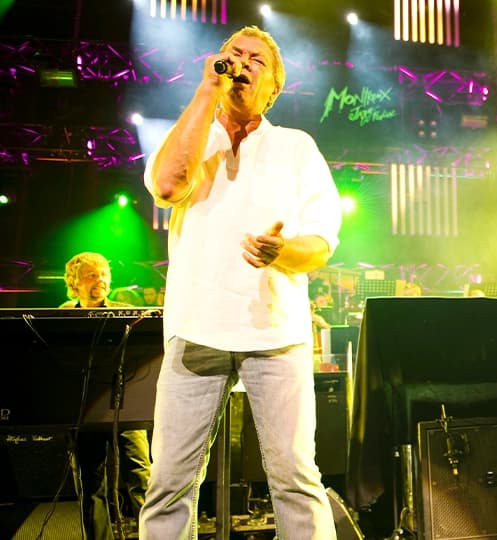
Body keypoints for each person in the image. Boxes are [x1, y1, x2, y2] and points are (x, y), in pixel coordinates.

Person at [139, 25, 342, 538]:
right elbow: (166, 186)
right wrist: (206, 91)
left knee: (295, 480)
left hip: (276, 335)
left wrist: (281, 252)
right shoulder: (193, 133)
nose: (242, 62)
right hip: (195, 327)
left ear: (273, 87)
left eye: (256, 59)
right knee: (169, 483)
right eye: (234, 54)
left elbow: (320, 244)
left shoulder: (297, 148)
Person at [60, 252, 152, 539]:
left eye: (102, 275)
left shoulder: (125, 311)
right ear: (74, 283)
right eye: (91, 275)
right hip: (86, 409)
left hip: (127, 405)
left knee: (140, 475)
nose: (99, 280)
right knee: (91, 483)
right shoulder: (63, 314)